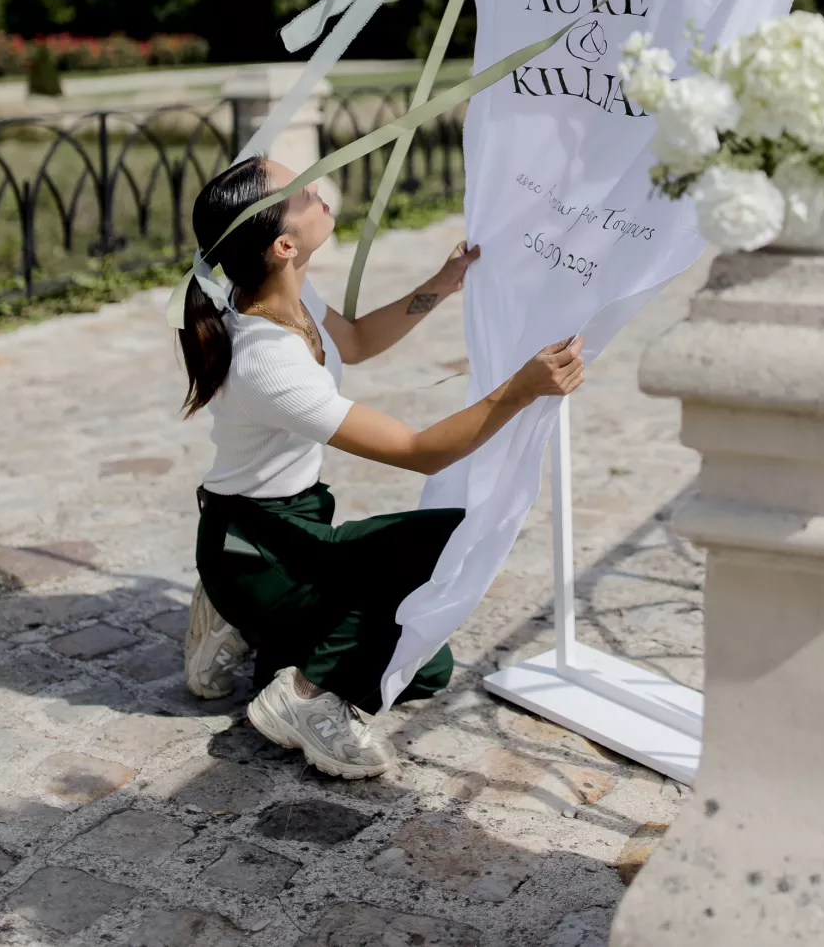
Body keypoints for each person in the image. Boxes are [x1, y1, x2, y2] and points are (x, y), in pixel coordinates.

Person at [177, 155, 584, 780]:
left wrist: (442, 284)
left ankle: (256, 631)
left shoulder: (283, 288)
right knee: (444, 539)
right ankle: (301, 695)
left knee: (427, 666)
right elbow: (420, 450)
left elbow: (359, 341)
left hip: (292, 526)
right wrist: (522, 388)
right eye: (305, 193)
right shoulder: (267, 360)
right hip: (257, 548)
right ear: (284, 244)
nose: (321, 191)